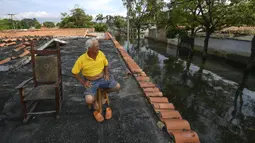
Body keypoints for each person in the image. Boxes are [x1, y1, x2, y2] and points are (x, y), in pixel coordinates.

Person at [72, 38, 120, 122]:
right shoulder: (82, 59)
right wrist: (83, 82)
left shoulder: (101, 54)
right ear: (90, 48)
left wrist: (106, 73)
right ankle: (95, 102)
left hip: (102, 78)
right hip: (91, 82)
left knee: (117, 86)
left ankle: (103, 92)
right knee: (89, 100)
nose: (99, 47)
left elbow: (106, 64)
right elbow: (74, 72)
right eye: (97, 46)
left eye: (98, 45)